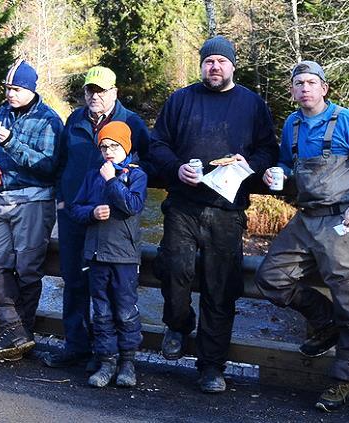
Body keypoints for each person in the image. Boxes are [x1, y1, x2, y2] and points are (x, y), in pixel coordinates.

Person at [145, 36, 278, 393]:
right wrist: (175, 170)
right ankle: (178, 322)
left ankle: (211, 367)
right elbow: (157, 143)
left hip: (227, 209)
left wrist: (250, 165)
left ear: (232, 65)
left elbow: (269, 149)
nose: (214, 67)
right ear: (201, 65)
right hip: (183, 204)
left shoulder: (251, 104)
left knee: (221, 288)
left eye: (221, 61)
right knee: (173, 269)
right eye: (208, 61)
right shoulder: (181, 100)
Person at [254, 61, 349, 412]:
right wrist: (275, 172)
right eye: (298, 84)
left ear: (324, 88)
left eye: (311, 82)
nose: (305, 88)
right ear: (292, 91)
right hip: (307, 218)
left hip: (346, 219)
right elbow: (287, 165)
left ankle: (345, 380)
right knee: (270, 278)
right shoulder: (293, 124)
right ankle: (324, 322)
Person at [42, 66, 151, 369]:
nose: (95, 96)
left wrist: (123, 196)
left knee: (106, 288)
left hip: (112, 224)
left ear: (115, 92)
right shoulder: (75, 119)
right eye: (91, 90)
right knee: (73, 280)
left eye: (101, 91)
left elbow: (147, 165)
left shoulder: (131, 122)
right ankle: (76, 346)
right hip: (76, 214)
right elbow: (60, 162)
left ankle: (106, 355)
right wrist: (62, 199)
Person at [0, 59, 64, 361]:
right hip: (2, 197)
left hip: (34, 200)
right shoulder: (3, 112)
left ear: (30, 89)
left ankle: (21, 336)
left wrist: (12, 142)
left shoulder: (49, 120)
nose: (9, 94)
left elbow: (49, 166)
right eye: (6, 88)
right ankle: (15, 329)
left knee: (28, 270)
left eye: (15, 89)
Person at [68, 121, 147, 388]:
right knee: (101, 312)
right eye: (104, 147)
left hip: (124, 256)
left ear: (125, 146)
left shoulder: (136, 175)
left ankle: (127, 362)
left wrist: (112, 179)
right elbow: (75, 209)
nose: (109, 151)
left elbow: (131, 205)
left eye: (114, 146)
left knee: (126, 311)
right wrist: (92, 213)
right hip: (97, 255)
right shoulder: (93, 175)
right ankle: (107, 361)